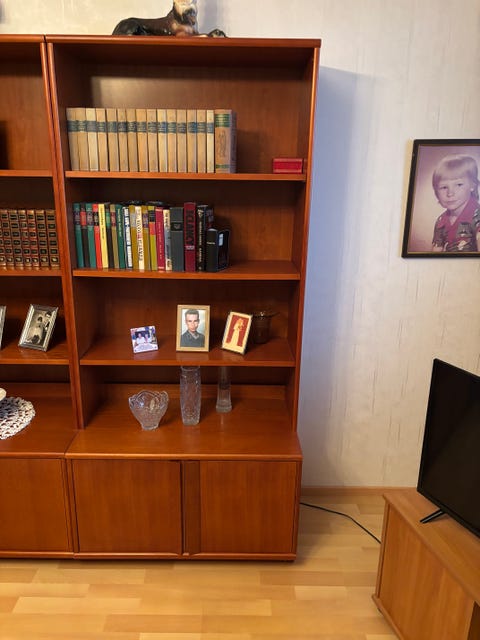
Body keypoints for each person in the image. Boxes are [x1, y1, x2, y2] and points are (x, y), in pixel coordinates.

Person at [431, 154, 480, 252]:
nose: (450, 193)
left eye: (459, 184)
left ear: (472, 185)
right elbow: (435, 254)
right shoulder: (441, 220)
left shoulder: (477, 217)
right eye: (444, 187)